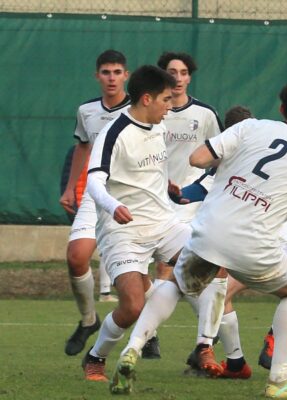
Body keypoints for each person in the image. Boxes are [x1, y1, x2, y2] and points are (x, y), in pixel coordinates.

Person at [111, 77, 287, 399]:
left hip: (209, 232)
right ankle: (280, 381)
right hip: (254, 246)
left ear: (282, 107)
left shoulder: (250, 128)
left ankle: (132, 348)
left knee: (175, 283)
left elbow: (197, 159)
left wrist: (231, 164)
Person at [182, 106, 287, 379]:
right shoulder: (230, 163)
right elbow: (198, 187)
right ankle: (231, 360)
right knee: (218, 290)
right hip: (256, 232)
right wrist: (173, 195)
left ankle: (274, 340)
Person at [80, 65, 191, 383]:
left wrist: (167, 184)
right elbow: (95, 182)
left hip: (164, 223)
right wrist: (113, 206)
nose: (170, 105)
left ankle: (207, 348)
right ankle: (95, 358)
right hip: (123, 230)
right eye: (166, 99)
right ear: (146, 98)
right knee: (131, 305)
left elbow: (148, 169)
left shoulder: (158, 126)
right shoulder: (113, 133)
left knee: (212, 265)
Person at [137, 51, 227, 363]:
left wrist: (201, 187)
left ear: (190, 77)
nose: (178, 78)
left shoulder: (204, 114)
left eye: (184, 72)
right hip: (153, 198)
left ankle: (193, 341)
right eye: (172, 72)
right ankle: (177, 333)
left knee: (177, 265)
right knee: (144, 269)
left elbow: (220, 155)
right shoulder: (150, 113)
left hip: (189, 201)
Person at [60, 50, 130, 357]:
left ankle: (148, 331)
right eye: (106, 72)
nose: (111, 77)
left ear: (126, 75)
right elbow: (82, 147)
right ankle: (89, 319)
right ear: (97, 76)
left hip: (131, 194)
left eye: (117, 72)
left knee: (136, 268)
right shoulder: (87, 110)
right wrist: (68, 189)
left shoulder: (139, 107)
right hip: (94, 192)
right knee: (77, 257)